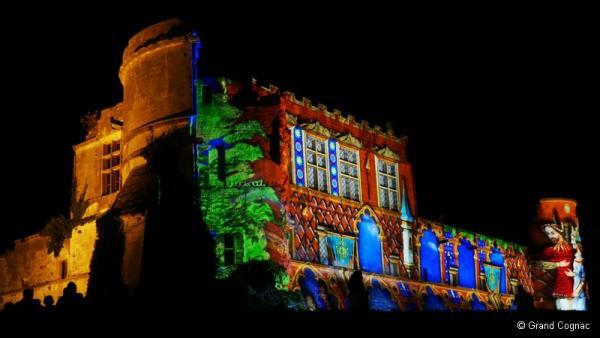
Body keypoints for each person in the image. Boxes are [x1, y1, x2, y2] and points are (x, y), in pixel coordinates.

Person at [540, 223, 575, 310]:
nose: (550, 236)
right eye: (548, 234)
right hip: (557, 287)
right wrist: (557, 264)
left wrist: (575, 274)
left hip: (569, 287)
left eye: (552, 233)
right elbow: (539, 265)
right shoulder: (549, 251)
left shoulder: (571, 248)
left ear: (560, 232)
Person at [571, 246, 587, 311]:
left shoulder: (582, 264)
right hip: (573, 290)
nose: (575, 252)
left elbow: (583, 278)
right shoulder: (574, 261)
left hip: (579, 291)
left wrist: (577, 290)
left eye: (577, 250)